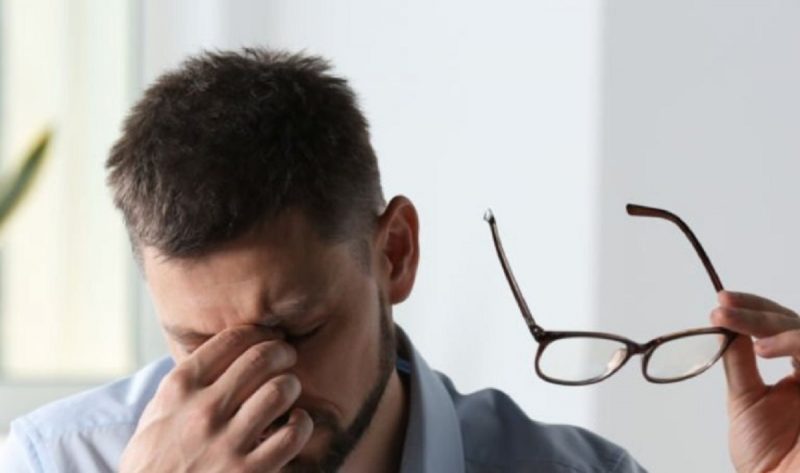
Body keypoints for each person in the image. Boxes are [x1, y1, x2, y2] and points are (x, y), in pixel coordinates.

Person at [0, 48, 797, 473]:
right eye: (198, 346)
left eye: (299, 328)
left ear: (396, 253)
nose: (260, 397)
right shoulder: (55, 461)